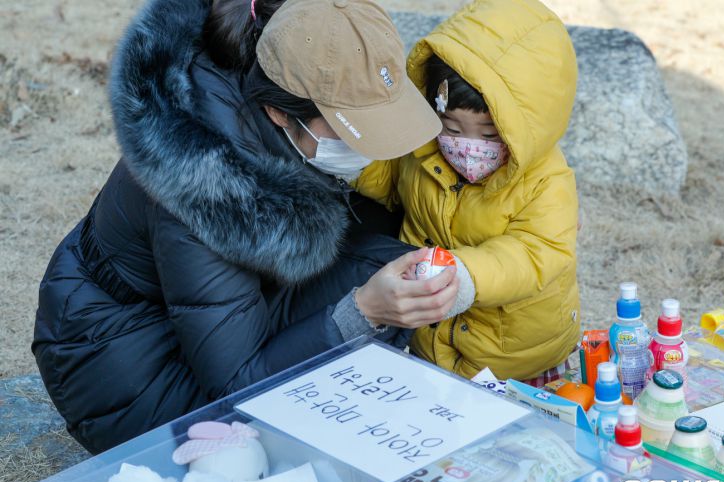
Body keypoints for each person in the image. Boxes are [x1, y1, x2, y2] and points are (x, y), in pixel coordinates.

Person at [31, 0, 464, 454]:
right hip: (119, 365)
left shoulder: (269, 89)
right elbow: (237, 383)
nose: (370, 148)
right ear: (281, 114)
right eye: (352, 130)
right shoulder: (206, 184)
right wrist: (366, 312)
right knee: (366, 304)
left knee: (390, 265)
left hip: (195, 316)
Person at [354, 0, 581, 383]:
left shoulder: (545, 181)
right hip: (431, 343)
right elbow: (390, 182)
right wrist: (355, 159)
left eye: (490, 135)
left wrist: (467, 274)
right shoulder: (424, 149)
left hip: (516, 357)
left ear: (524, 131)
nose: (467, 147)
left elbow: (536, 254)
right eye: (452, 129)